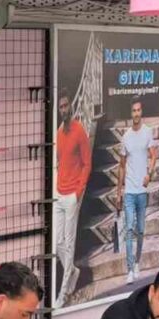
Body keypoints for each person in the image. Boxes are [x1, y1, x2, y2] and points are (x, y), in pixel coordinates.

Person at [55, 91, 92, 307]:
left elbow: (87, 163)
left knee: (69, 244)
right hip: (59, 193)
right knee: (58, 243)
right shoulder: (59, 132)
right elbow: (61, 162)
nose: (63, 109)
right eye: (60, 106)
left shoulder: (79, 130)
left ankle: (64, 292)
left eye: (66, 105)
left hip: (72, 195)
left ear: (71, 106)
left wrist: (78, 192)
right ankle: (73, 272)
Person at [119, 98, 158, 284]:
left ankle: (137, 262)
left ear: (141, 112)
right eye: (133, 110)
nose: (136, 113)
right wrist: (119, 191)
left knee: (141, 230)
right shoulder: (125, 136)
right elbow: (121, 165)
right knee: (129, 230)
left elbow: (153, 156)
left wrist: (149, 174)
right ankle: (129, 268)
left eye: (138, 110)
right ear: (131, 113)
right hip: (129, 191)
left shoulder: (147, 132)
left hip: (141, 191)